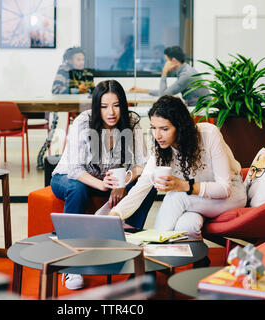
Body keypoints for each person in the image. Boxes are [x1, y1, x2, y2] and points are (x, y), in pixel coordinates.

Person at [50, 80, 157, 290]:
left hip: (109, 181)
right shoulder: (83, 122)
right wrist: (102, 186)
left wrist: (123, 183)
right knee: (76, 188)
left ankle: (127, 242)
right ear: (96, 106)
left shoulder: (132, 121)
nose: (111, 112)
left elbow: (142, 164)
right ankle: (71, 262)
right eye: (104, 106)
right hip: (70, 178)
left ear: (123, 105)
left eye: (116, 105)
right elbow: (74, 170)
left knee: (150, 186)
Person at [108, 95, 247, 239]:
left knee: (175, 197)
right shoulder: (160, 150)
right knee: (186, 226)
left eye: (164, 129)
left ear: (180, 126)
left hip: (231, 196)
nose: (157, 135)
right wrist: (115, 214)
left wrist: (185, 186)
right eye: (154, 128)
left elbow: (225, 188)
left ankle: (155, 247)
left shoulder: (208, 134)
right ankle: (197, 260)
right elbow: (141, 188)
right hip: (196, 199)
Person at [128, 46, 209, 105]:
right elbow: (166, 92)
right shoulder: (185, 70)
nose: (165, 64)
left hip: (201, 111)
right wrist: (142, 90)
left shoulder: (186, 75)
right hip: (196, 107)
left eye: (166, 61)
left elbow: (163, 95)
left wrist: (164, 72)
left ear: (173, 61)